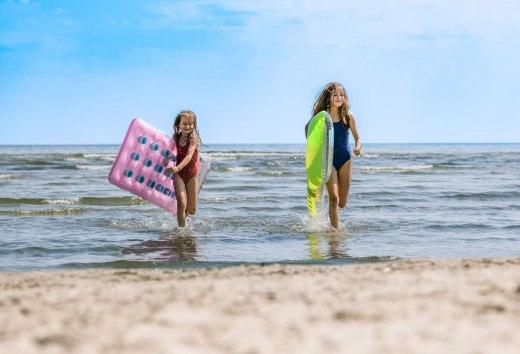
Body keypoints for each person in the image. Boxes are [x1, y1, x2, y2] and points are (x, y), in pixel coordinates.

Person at [305, 82, 362, 229]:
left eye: (341, 94)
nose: (339, 97)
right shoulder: (322, 118)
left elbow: (358, 138)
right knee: (334, 198)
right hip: (328, 160)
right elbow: (308, 130)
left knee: (342, 202)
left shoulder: (348, 116)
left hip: (345, 159)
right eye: (335, 94)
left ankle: (331, 221)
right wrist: (315, 152)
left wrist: (357, 147)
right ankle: (334, 233)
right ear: (329, 97)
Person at [165, 110, 201, 227]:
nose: (188, 126)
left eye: (191, 124)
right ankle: (181, 231)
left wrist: (177, 167)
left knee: (191, 210)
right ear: (178, 125)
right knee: (181, 203)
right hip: (179, 174)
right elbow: (171, 153)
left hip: (191, 175)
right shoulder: (175, 137)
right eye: (184, 123)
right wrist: (167, 159)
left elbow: (189, 156)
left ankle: (181, 219)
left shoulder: (193, 138)